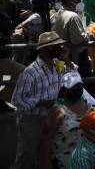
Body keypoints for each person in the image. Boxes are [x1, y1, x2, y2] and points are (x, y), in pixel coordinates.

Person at [11, 31, 66, 169]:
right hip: (32, 120)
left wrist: (67, 59)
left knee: (46, 155)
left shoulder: (58, 64)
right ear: (45, 49)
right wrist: (40, 102)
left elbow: (70, 75)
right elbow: (17, 100)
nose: (60, 48)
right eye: (56, 46)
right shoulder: (30, 72)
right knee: (26, 157)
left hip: (52, 116)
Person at [43, 70, 95, 167]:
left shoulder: (92, 108)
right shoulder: (58, 112)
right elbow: (45, 140)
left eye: (79, 86)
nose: (76, 89)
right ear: (63, 90)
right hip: (65, 163)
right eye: (72, 87)